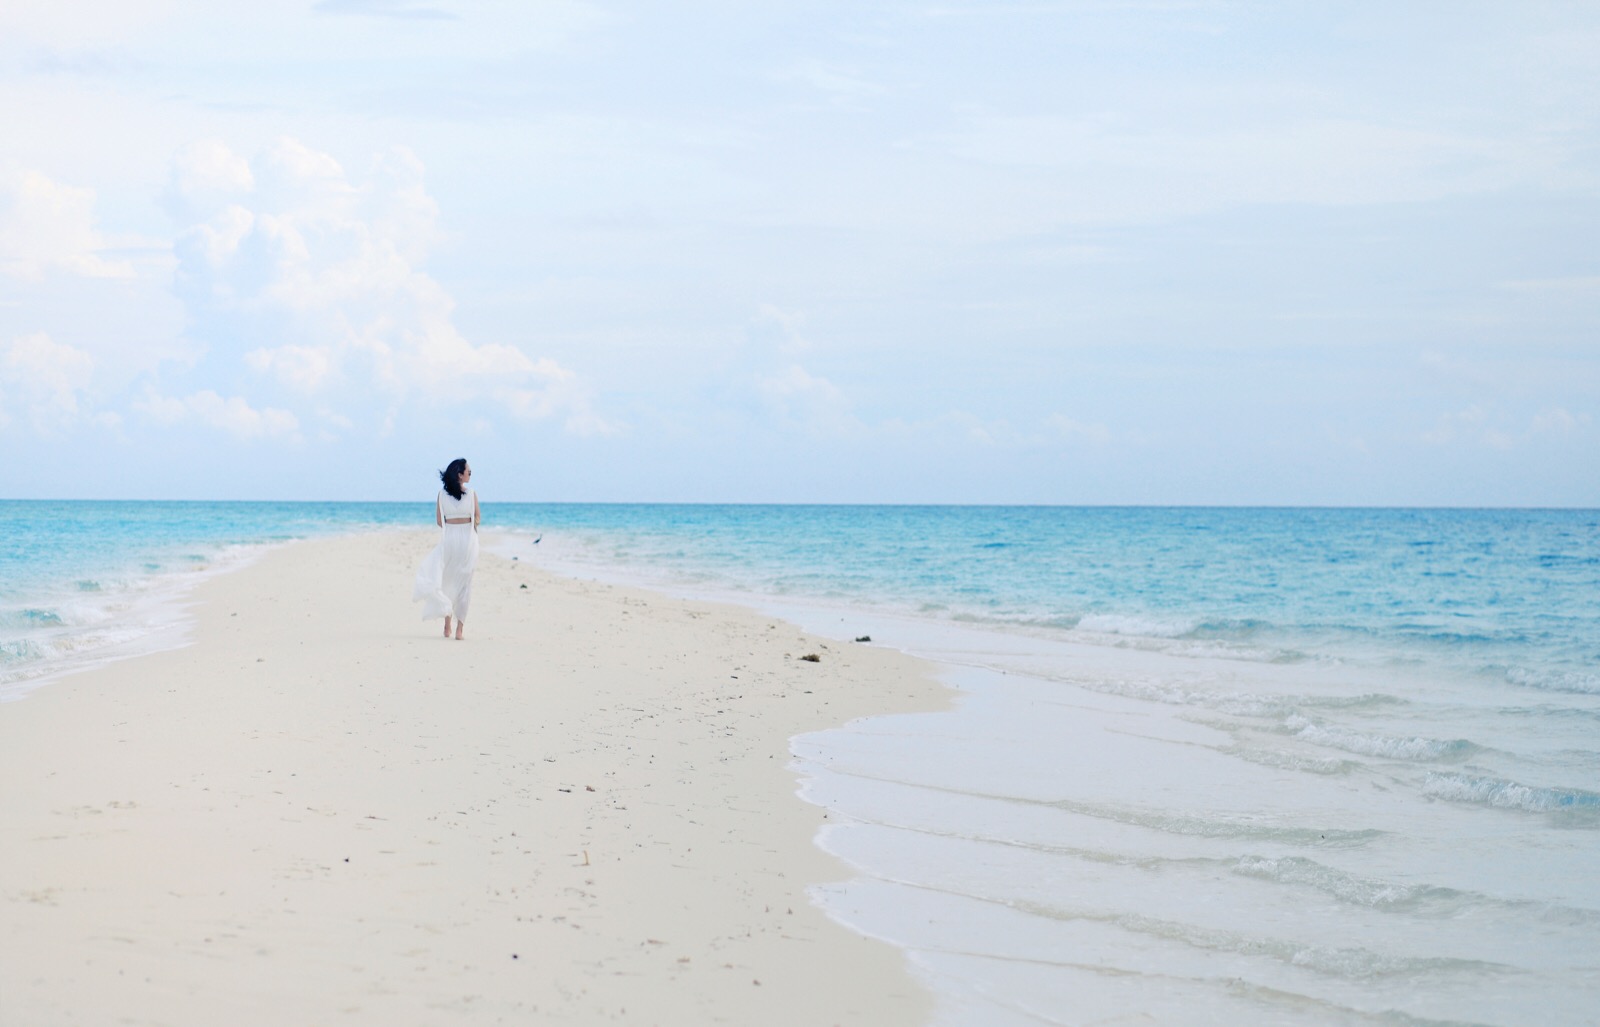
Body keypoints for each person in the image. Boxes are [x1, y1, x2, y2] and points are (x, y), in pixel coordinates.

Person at [412, 458, 480, 640]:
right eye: (468, 470)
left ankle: (447, 627)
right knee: (465, 585)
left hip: (449, 540)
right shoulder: (472, 493)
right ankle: (460, 631)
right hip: (467, 541)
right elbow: (477, 519)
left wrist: (453, 529)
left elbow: (439, 522)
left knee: (447, 582)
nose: (470, 473)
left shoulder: (441, 495)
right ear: (460, 474)